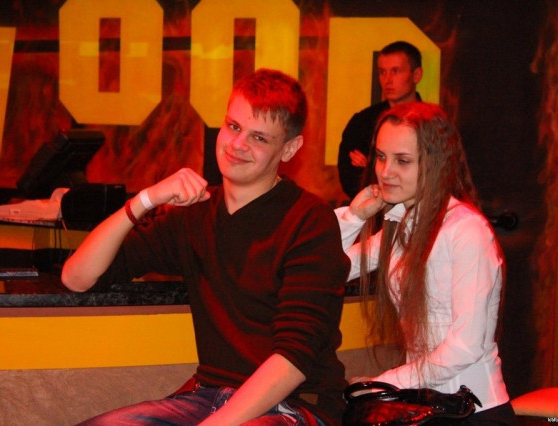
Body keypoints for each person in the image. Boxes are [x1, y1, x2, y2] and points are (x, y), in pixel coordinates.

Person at [62, 68, 351, 425]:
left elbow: (293, 359)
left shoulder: (310, 221)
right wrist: (146, 199)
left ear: (290, 148)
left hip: (296, 405)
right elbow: (77, 277)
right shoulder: (194, 215)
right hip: (208, 396)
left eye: (259, 137)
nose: (238, 144)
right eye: (233, 126)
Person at [335, 102, 516, 424]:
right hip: (425, 405)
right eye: (381, 156)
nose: (385, 172)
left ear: (435, 164)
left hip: (472, 411)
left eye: (402, 160)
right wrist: (354, 217)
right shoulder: (404, 224)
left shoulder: (466, 230)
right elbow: (329, 268)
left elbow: (466, 346)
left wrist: (385, 383)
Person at [337, 41, 423, 200]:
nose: (387, 80)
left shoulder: (433, 124)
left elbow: (439, 175)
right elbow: (349, 179)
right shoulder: (361, 123)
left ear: (416, 75)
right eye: (382, 72)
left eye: (395, 71)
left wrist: (370, 169)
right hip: (373, 210)